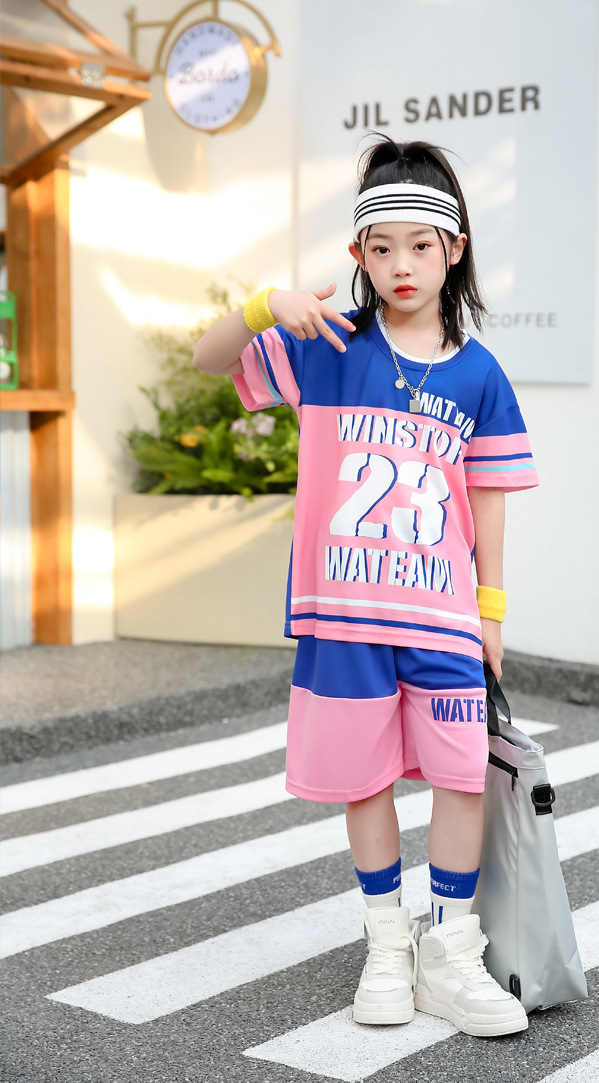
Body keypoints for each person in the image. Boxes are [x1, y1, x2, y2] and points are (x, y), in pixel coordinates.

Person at [193, 137, 538, 1037]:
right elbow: (206, 360)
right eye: (381, 248)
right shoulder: (326, 343)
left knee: (461, 779)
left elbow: (489, 497)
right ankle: (388, 944)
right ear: (358, 254)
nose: (401, 265)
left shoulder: (480, 373)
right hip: (343, 617)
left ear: (454, 248)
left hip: (443, 615)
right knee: (366, 780)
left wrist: (492, 611)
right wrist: (263, 305)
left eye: (421, 246)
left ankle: (449, 953)